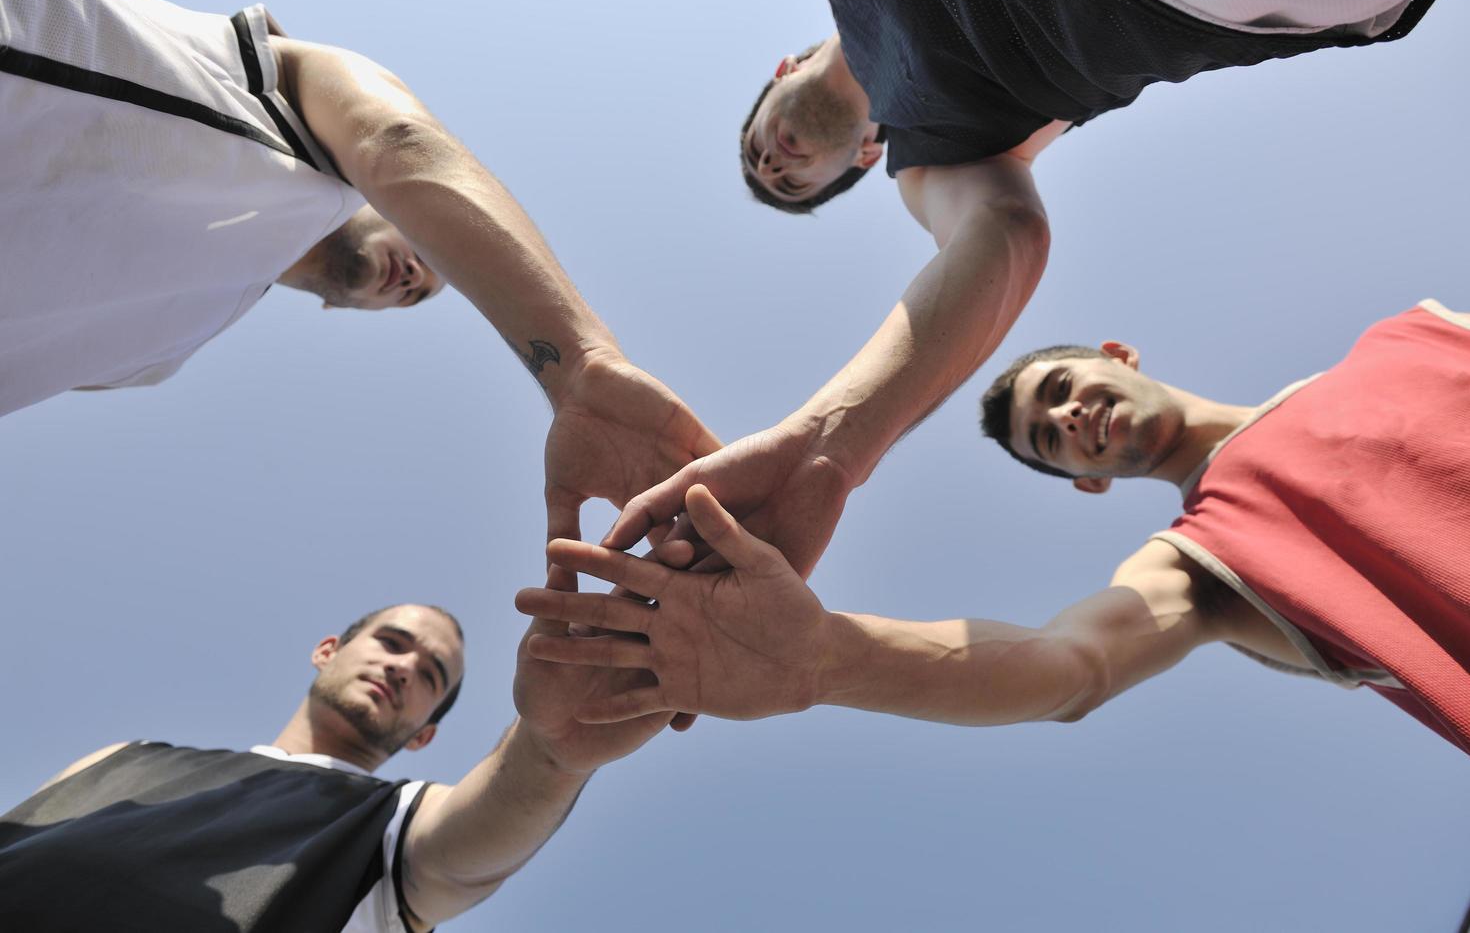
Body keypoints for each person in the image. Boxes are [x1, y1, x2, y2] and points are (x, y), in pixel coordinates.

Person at [603, 0, 1467, 580]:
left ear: (782, 69)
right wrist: (828, 449)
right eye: (791, 183)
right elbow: (1004, 236)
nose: (773, 165)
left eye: (757, 150)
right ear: (865, 159)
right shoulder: (931, 154)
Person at [515, 300, 1470, 756]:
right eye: (1051, 444)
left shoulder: (1406, 337)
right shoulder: (1208, 558)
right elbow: (1072, 664)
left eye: (1059, 393)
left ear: (1117, 354)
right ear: (1089, 485)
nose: (1065, 421)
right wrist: (826, 659)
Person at [0, 0, 719, 552]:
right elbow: (394, 139)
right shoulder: (289, 100)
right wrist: (582, 368)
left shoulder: (156, 353)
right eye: (430, 256)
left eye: (417, 297)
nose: (416, 279)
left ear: (343, 309)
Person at [0, 603, 672, 930]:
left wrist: (554, 745)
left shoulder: (390, 827)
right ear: (328, 649)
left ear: (424, 734)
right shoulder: (123, 758)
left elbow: (477, 840)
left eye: (430, 674)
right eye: (392, 642)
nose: (403, 666)